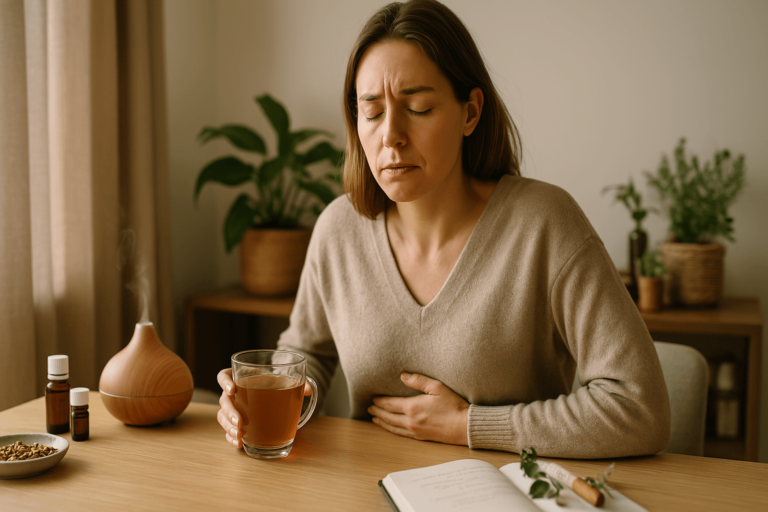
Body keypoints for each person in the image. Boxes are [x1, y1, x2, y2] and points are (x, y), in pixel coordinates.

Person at [216, 0, 670, 459]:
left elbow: (639, 407)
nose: (391, 135)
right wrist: (262, 392)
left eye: (418, 107)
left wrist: (470, 426)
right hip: (361, 488)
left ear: (470, 113)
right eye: (371, 113)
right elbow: (306, 355)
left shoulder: (544, 223)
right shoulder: (338, 228)